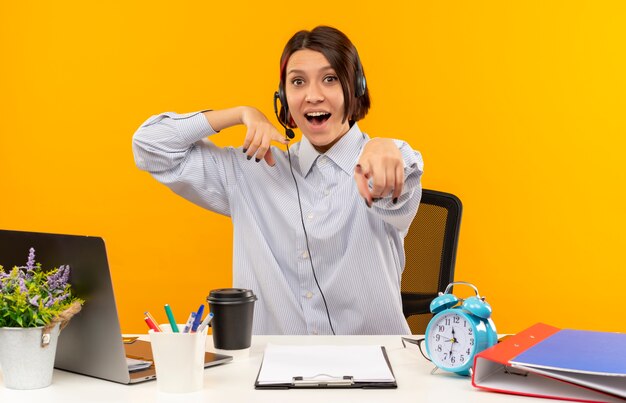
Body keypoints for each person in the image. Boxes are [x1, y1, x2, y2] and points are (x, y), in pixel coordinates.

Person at [132, 26, 423, 335]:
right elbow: (151, 146)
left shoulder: (385, 162)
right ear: (283, 96)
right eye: (298, 82)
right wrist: (241, 113)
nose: (312, 95)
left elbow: (396, 180)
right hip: (270, 369)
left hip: (373, 366)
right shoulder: (251, 169)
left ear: (356, 88)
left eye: (330, 79)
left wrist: (383, 147)